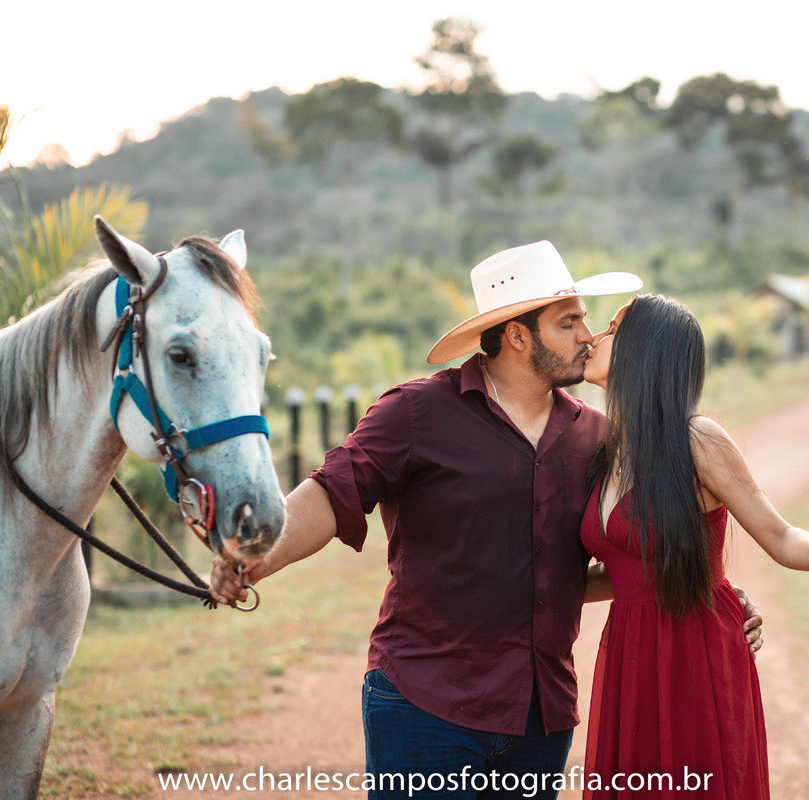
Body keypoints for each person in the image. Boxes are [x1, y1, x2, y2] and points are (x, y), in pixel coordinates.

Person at [208, 243, 762, 799]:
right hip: (426, 709)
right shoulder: (416, 413)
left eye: (584, 319)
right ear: (518, 336)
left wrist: (708, 593)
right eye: (568, 322)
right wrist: (251, 558)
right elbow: (331, 494)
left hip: (541, 721)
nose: (587, 335)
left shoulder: (597, 438)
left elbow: (629, 552)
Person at [578, 294, 809, 800]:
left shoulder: (698, 441)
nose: (594, 337)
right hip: (630, 656)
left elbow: (779, 535)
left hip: (693, 653)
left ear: (645, 350)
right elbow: (623, 572)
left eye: (612, 328)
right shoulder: (606, 450)